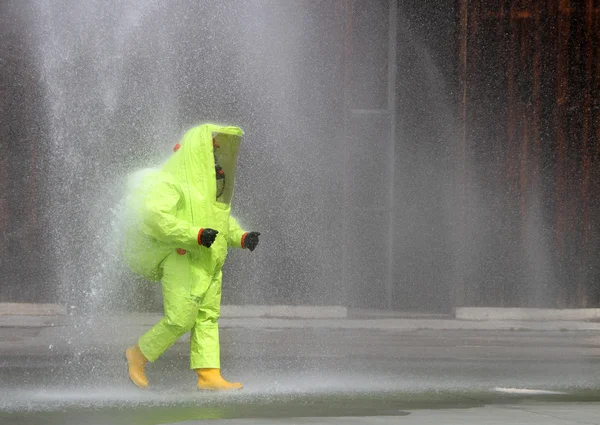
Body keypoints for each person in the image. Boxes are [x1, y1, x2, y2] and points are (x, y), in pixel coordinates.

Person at [122, 123, 260, 391]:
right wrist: (193, 234)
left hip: (209, 261)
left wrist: (241, 237)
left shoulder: (208, 190)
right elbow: (154, 217)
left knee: (207, 317)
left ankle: (208, 375)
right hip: (182, 257)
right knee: (180, 318)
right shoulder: (171, 182)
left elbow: (220, 221)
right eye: (210, 153)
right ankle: (137, 355)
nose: (217, 161)